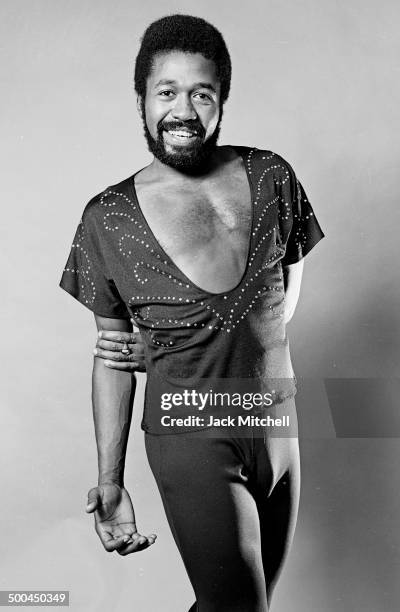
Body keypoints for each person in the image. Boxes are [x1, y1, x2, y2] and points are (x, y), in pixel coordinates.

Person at [60, 14, 324, 612]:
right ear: (141, 102)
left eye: (201, 92)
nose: (184, 109)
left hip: (277, 429)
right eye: (167, 92)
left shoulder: (271, 175)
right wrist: (110, 479)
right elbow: (112, 359)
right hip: (191, 434)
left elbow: (281, 296)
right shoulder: (109, 217)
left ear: (221, 101)